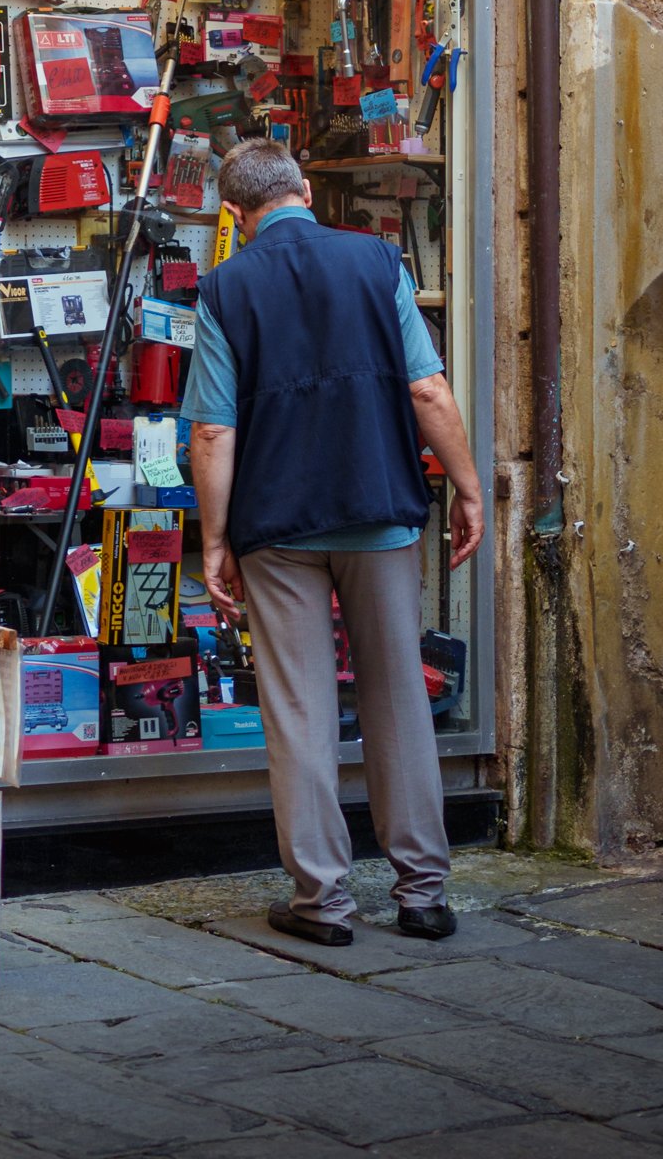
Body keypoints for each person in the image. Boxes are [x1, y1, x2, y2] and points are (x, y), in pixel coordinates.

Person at [185, 138, 484, 947]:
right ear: (306, 190)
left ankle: (322, 902)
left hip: (276, 527)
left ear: (235, 216)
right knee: (397, 696)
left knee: (299, 709)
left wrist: (213, 542)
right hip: (377, 510)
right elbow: (428, 388)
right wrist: (467, 484)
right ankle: (422, 894)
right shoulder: (378, 263)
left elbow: (213, 431)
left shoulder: (223, 287)